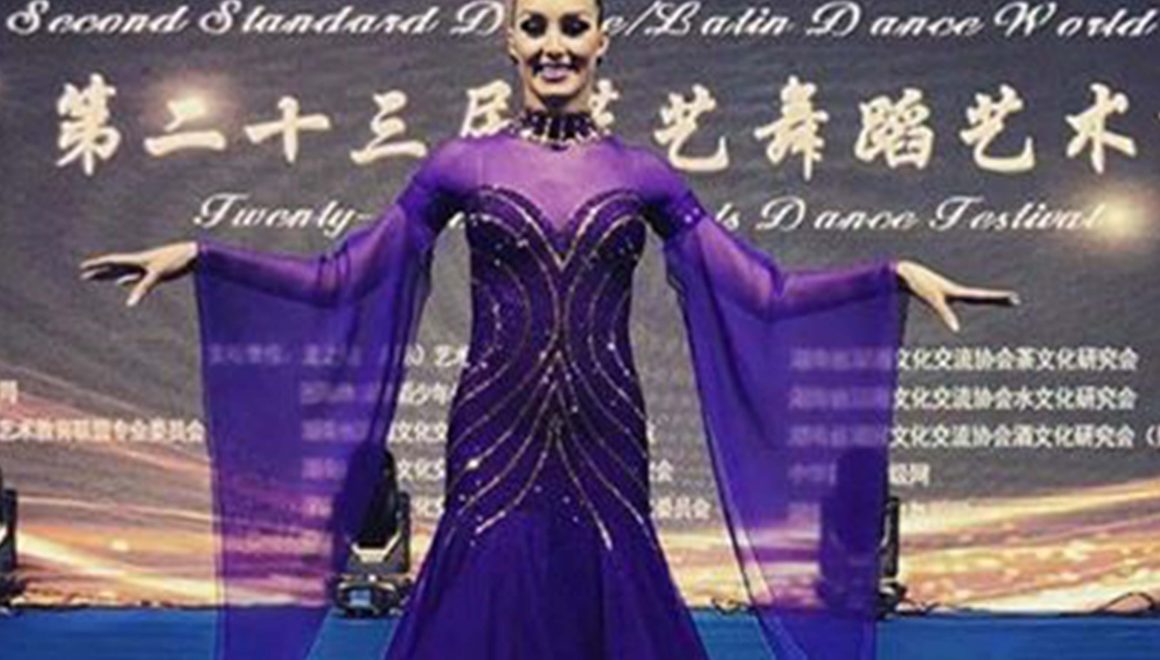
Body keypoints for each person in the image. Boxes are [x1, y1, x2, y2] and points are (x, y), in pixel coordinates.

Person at [79, 0, 1018, 658]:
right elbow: (344, 277)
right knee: (487, 580)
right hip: (494, 431)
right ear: (508, 38)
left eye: (573, 26)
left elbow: (762, 294)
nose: (554, 44)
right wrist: (206, 258)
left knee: (610, 576)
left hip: (607, 434)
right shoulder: (460, 165)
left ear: (603, 41)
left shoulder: (646, 176)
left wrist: (890, 276)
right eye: (536, 26)